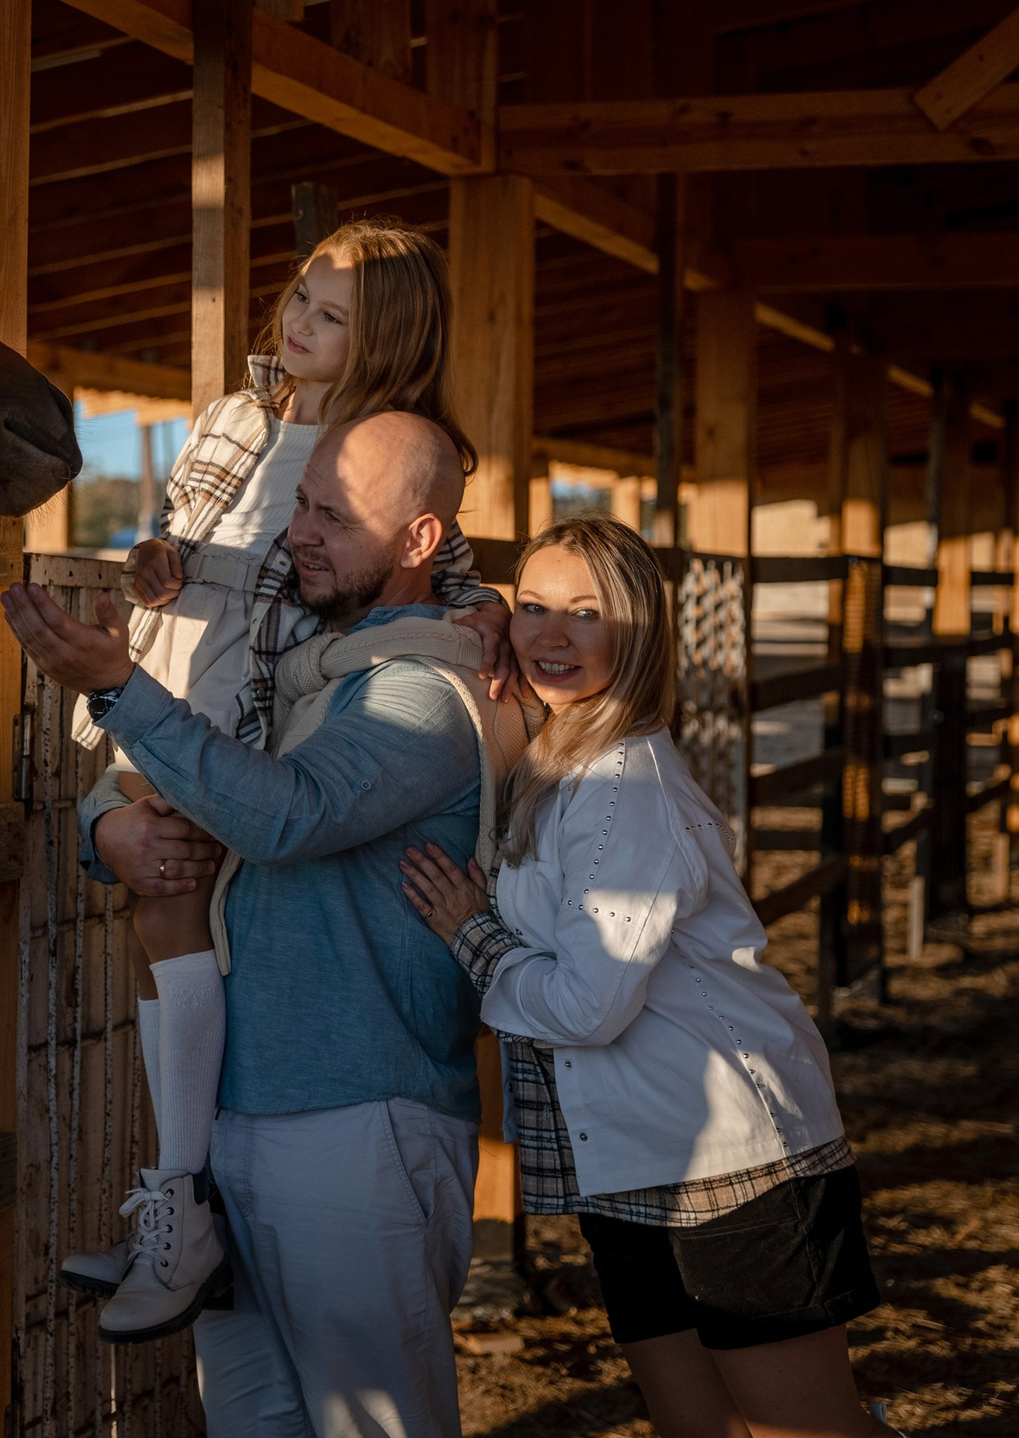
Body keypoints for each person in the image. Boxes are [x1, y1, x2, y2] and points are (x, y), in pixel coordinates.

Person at [3, 411, 528, 1437]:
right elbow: (214, 792)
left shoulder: (422, 692)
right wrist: (105, 821)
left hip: (354, 1122)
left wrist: (118, 686)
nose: (299, 530)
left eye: (334, 513)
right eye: (299, 502)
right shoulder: (311, 673)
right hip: (248, 1117)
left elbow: (285, 813)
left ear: (419, 541)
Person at [62, 218, 510, 1343]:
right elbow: (169, 533)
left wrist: (491, 611)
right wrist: (148, 557)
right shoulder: (229, 419)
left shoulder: (379, 446)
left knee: (179, 907)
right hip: (163, 677)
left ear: (385, 339)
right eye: (298, 298)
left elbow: (438, 566)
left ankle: (179, 1187)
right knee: (152, 917)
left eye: (329, 314)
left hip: (246, 716)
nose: (296, 324)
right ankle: (183, 1194)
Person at [399, 518, 894, 1438]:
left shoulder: (628, 789)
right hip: (628, 1163)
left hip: (733, 1157)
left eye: (586, 614)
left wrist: (473, 936)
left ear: (640, 634)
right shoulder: (554, 763)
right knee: (691, 1421)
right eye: (535, 607)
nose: (552, 635)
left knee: (807, 1430)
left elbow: (588, 1005)